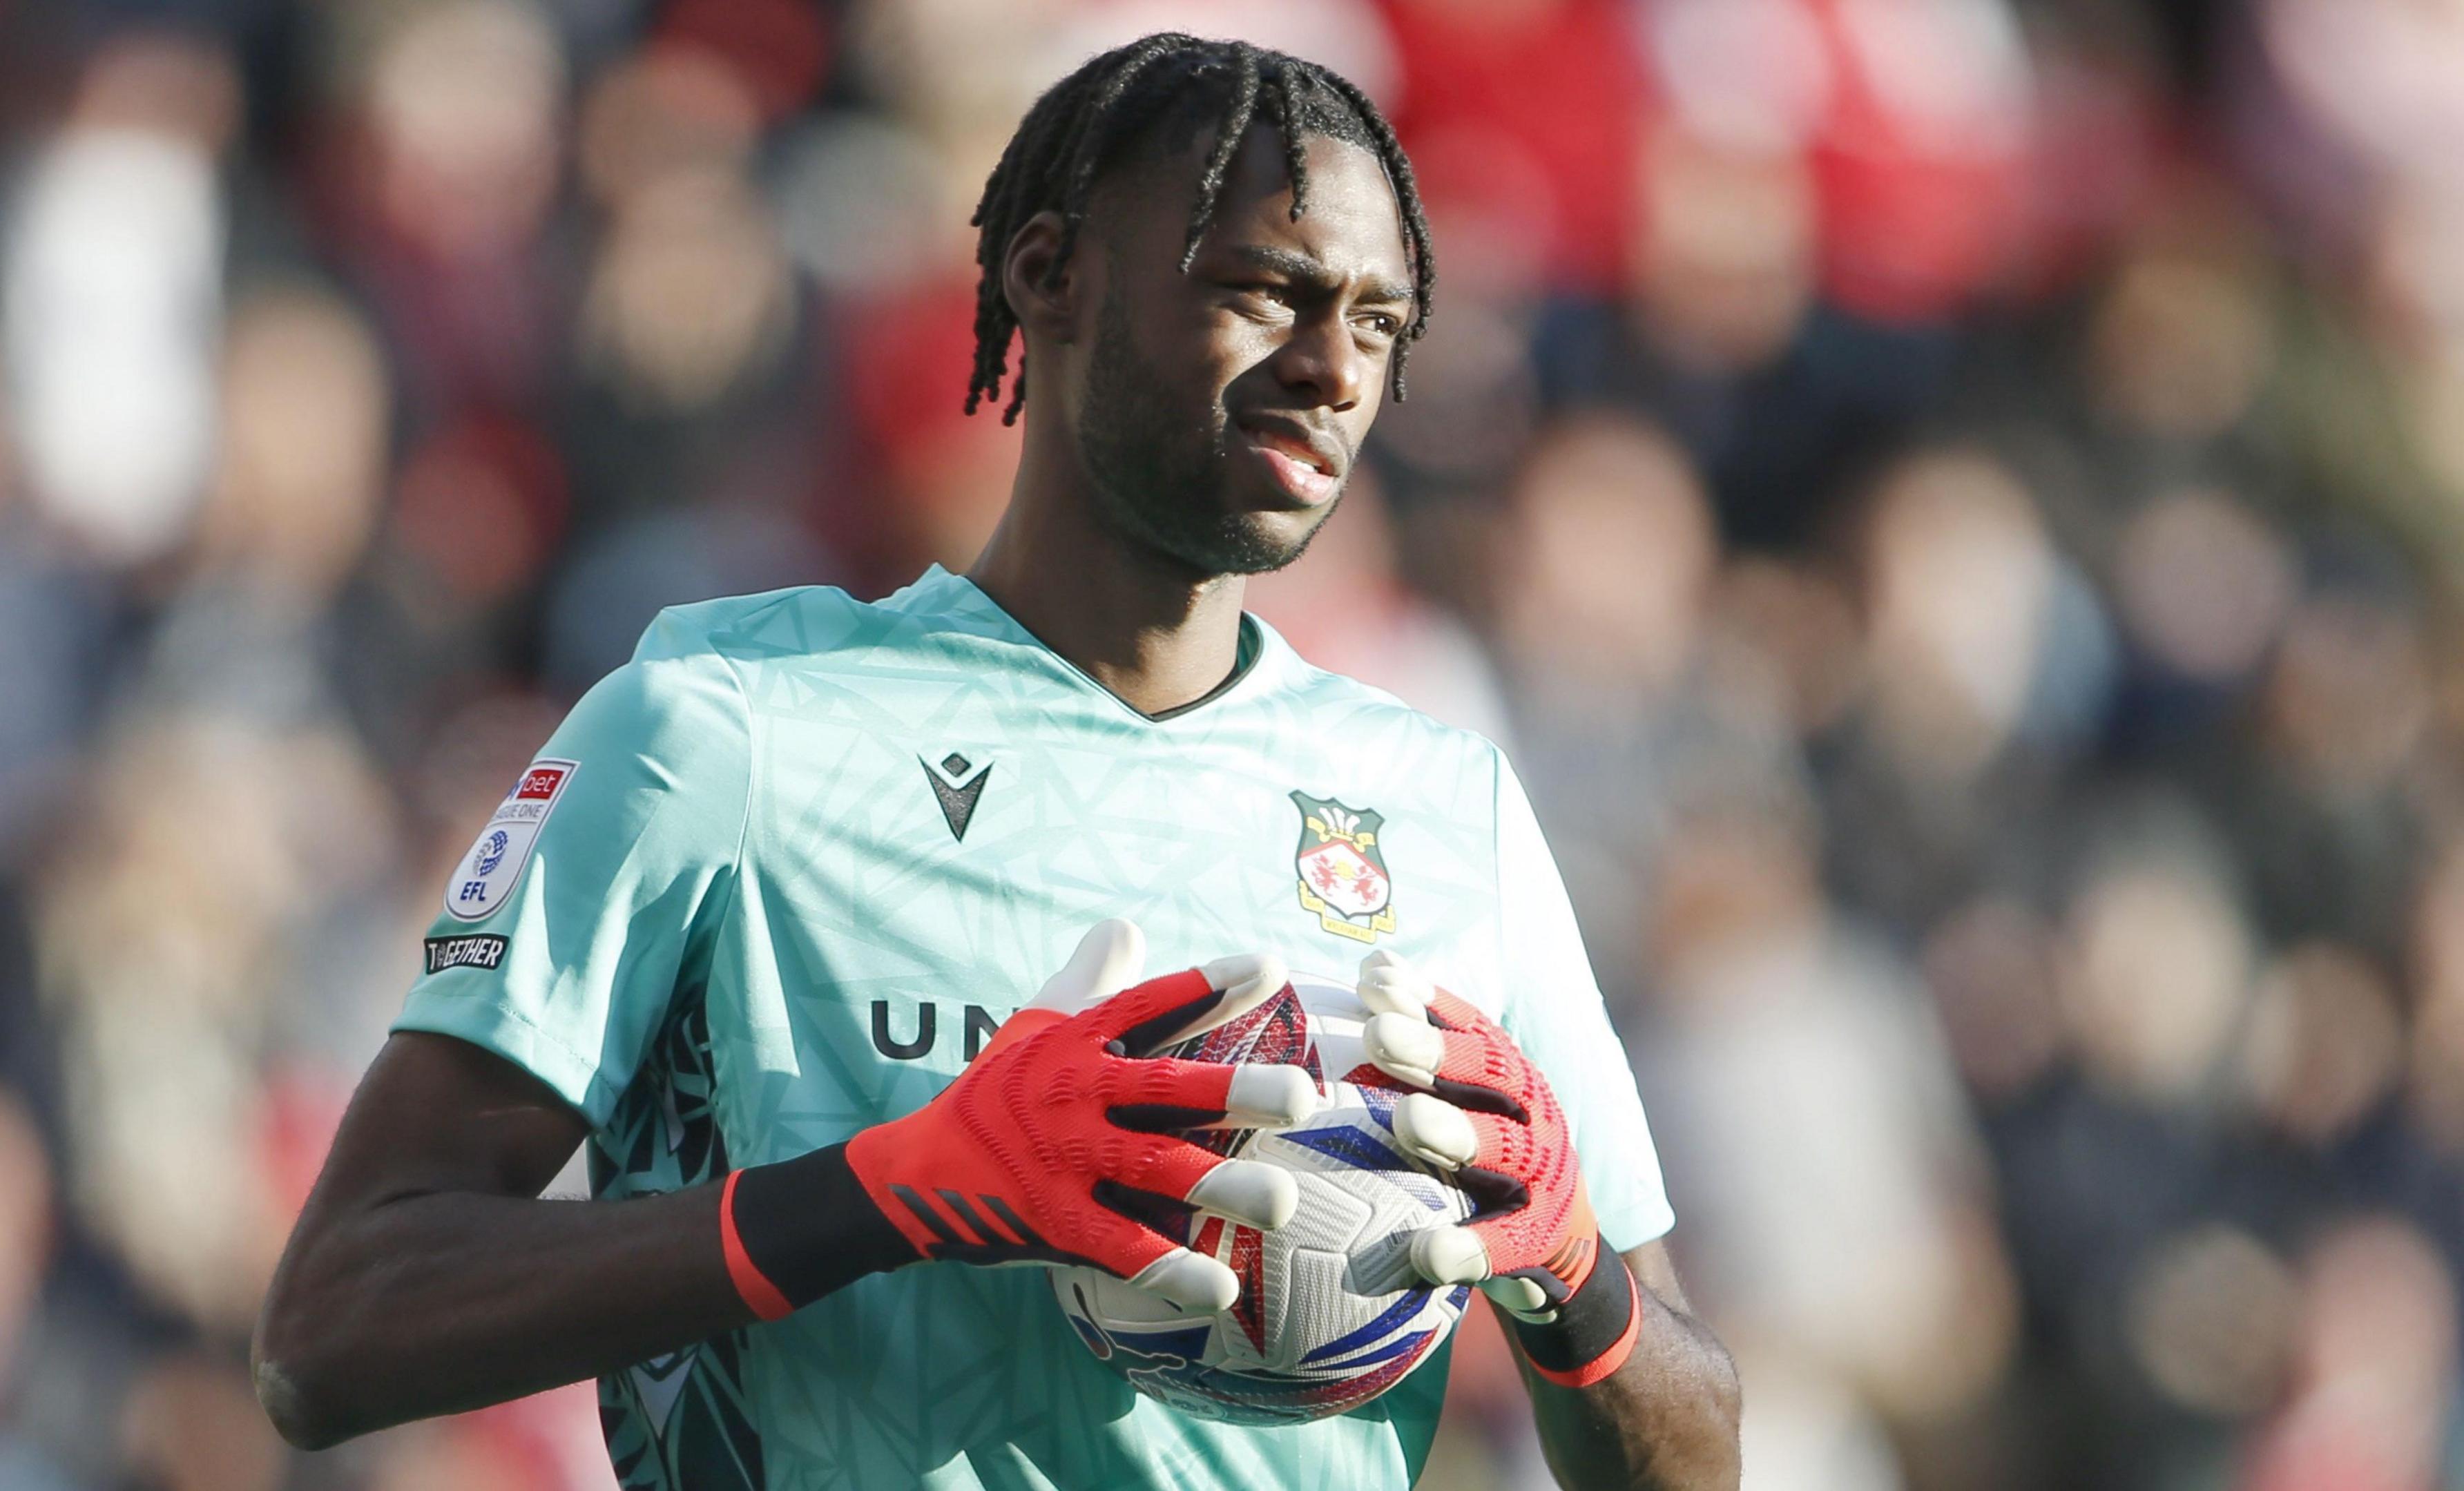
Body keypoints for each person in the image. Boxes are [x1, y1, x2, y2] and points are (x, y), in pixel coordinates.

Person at [253, 33, 1740, 1490]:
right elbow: (336, 1326)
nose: (1328, 369)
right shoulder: (729, 729)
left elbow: (1692, 1458)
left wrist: (1571, 1271)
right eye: (1261, 291)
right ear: (1048, 274)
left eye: (1374, 320)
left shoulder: (1442, 806)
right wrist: (895, 1191)